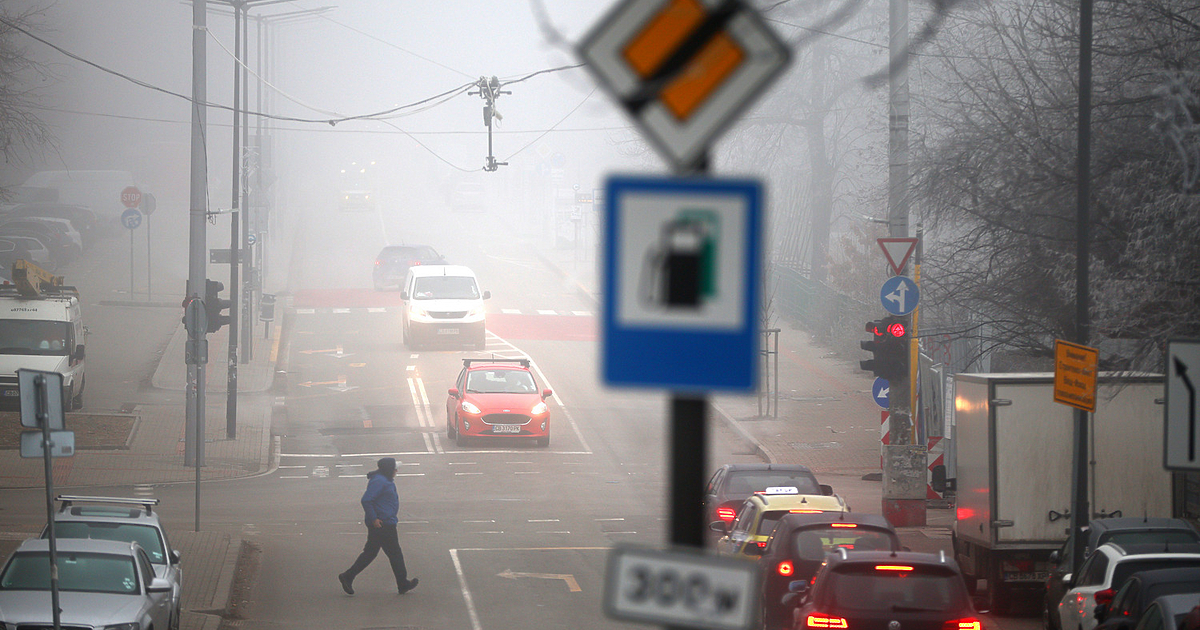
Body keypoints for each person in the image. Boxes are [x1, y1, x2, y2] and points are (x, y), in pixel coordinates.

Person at [337, 457, 418, 595]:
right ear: (388, 469)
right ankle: (402, 583)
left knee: (371, 552)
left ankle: (348, 576)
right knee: (395, 554)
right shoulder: (380, 481)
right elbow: (366, 500)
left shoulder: (383, 479)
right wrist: (374, 519)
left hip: (383, 522)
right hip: (383, 524)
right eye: (394, 469)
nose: (396, 471)